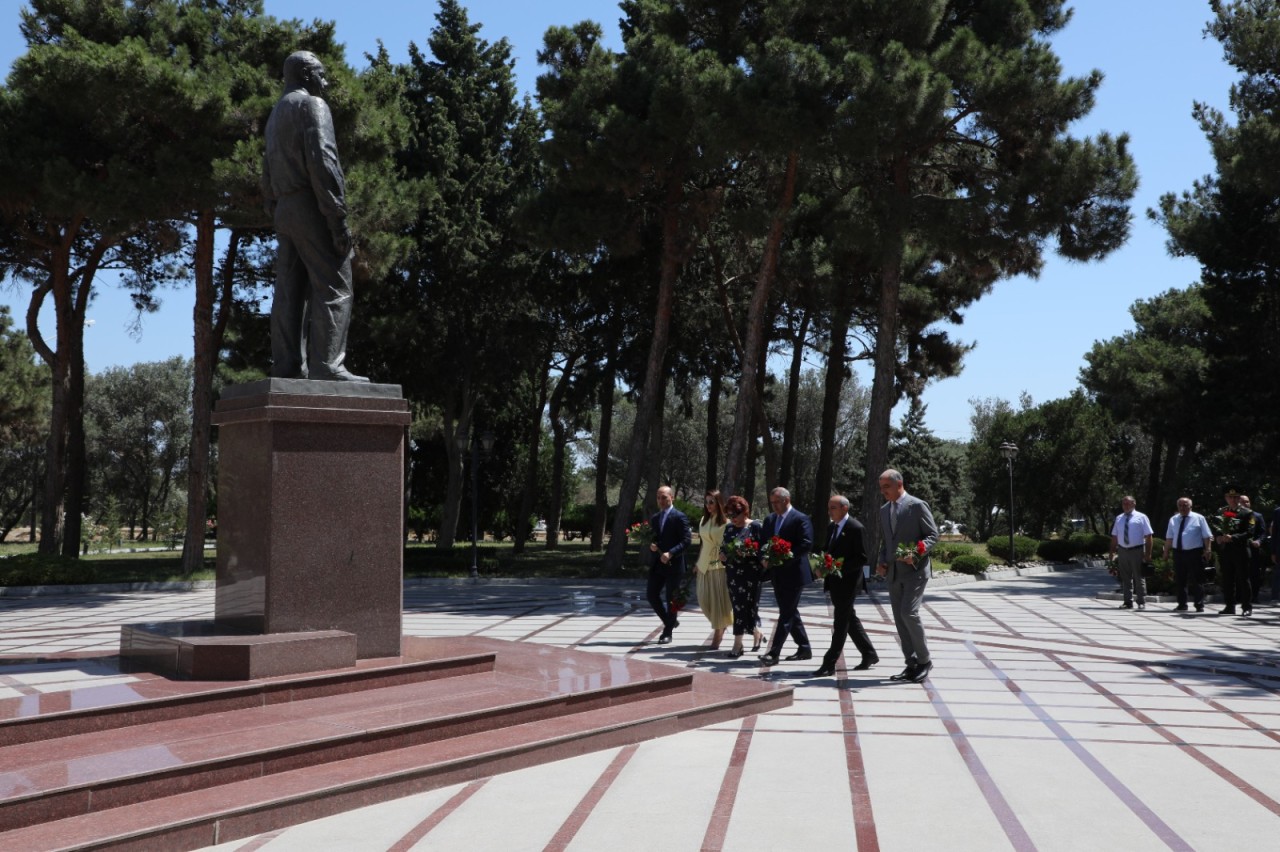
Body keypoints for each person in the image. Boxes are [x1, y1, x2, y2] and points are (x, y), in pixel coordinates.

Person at [262, 51, 367, 382]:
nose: (326, 82)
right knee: (336, 285)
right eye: (321, 75)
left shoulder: (275, 115)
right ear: (306, 75)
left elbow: (267, 172)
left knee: (289, 290)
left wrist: (276, 208)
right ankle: (328, 366)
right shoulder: (312, 106)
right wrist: (336, 218)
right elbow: (324, 162)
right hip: (311, 204)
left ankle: (287, 365)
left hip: (284, 207)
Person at [875, 469, 938, 683]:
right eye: (881, 487)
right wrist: (882, 561)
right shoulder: (884, 510)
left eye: (886, 487)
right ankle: (911, 664)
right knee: (900, 619)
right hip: (893, 572)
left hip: (915, 571)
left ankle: (924, 661)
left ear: (899, 484)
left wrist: (916, 553)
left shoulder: (917, 506)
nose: (883, 491)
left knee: (908, 613)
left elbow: (933, 535)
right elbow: (887, 541)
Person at [813, 494, 878, 678]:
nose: (829, 512)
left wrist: (837, 567)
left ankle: (829, 662)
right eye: (829, 508)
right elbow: (827, 551)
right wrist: (822, 566)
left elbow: (861, 558)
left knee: (840, 622)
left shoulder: (855, 528)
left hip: (848, 583)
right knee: (849, 618)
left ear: (845, 508)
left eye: (833, 508)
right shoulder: (832, 527)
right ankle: (869, 653)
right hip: (834, 582)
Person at [758, 487, 814, 666]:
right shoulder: (770, 519)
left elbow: (806, 544)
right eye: (772, 502)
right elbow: (763, 543)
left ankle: (773, 653)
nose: (774, 506)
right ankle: (804, 648)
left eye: (777, 502)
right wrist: (764, 558)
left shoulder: (800, 518)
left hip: (794, 573)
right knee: (789, 610)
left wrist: (784, 557)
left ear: (786, 500)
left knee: (786, 613)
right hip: (777, 573)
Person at [646, 485, 691, 644]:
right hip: (658, 564)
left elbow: (686, 541)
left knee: (671, 599)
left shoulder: (679, 517)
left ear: (672, 497)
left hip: (674, 565)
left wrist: (671, 553)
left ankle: (667, 633)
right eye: (658, 497)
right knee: (651, 595)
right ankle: (669, 621)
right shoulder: (655, 518)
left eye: (664, 497)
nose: (661, 500)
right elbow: (655, 538)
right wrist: (653, 546)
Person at [722, 495, 765, 658]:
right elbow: (723, 547)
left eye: (736, 514)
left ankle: (753, 634)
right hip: (733, 574)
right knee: (738, 607)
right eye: (730, 515)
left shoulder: (755, 527)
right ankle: (740, 642)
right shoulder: (729, 528)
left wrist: (749, 553)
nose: (733, 518)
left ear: (745, 512)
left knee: (750, 608)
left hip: (752, 574)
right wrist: (722, 555)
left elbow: (763, 550)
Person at [694, 490, 733, 649]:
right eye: (706, 502)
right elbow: (703, 544)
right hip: (704, 564)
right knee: (703, 600)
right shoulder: (703, 520)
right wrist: (697, 563)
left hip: (719, 565)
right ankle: (722, 624)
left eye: (712, 502)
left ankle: (718, 631)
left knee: (718, 601)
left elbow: (730, 543)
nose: (708, 505)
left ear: (719, 503)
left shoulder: (727, 522)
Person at [1164, 497, 1212, 612]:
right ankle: (1182, 604)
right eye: (1180, 505)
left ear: (1190, 506)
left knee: (1197, 579)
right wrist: (1166, 551)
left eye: (1185, 505)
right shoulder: (1173, 519)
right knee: (1180, 579)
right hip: (1178, 552)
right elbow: (1169, 537)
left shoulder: (1199, 518)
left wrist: (1208, 549)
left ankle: (1199, 604)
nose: (1182, 508)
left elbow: (1207, 536)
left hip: (1194, 552)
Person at [1212, 488, 1254, 615]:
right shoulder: (1222, 511)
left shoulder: (1247, 513)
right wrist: (1218, 536)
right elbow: (1216, 527)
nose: (1233, 500)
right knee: (1227, 579)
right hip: (1226, 551)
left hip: (1240, 550)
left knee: (1243, 579)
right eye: (1230, 497)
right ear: (1226, 498)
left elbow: (1250, 532)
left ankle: (1246, 607)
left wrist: (1233, 537)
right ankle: (1229, 606)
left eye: (1235, 497)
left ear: (1239, 498)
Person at [1108, 495, 1154, 610]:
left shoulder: (1141, 517)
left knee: (1139, 577)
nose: (1126, 506)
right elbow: (1115, 536)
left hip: (1137, 550)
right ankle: (1127, 602)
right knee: (1125, 577)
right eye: (1124, 504)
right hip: (1123, 550)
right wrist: (1112, 551)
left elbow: (1149, 536)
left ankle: (1141, 601)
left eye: (1128, 503)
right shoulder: (1119, 518)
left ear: (1134, 504)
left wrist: (1148, 554)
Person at [1238, 494, 1267, 606]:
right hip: (1239, 548)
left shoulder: (1257, 516)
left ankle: (1254, 596)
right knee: (1239, 573)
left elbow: (1263, 532)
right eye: (1243, 502)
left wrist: (1259, 541)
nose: (1245, 504)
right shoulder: (1235, 515)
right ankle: (1239, 596)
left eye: (1247, 501)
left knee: (1254, 573)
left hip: (1253, 549)